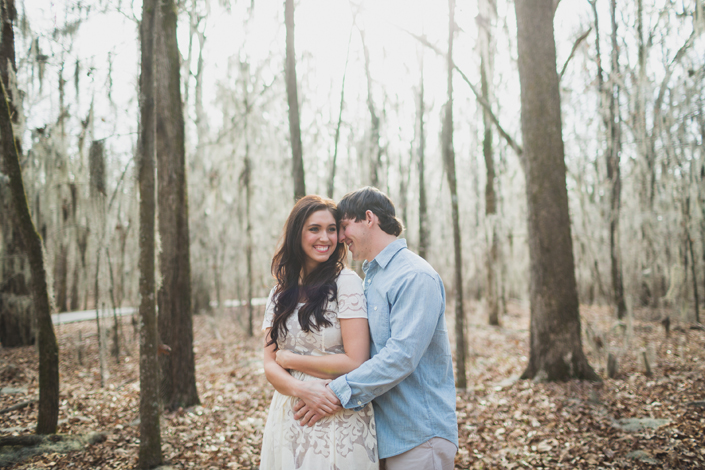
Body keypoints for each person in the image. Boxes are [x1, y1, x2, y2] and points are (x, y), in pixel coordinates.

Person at [290, 187, 458, 470]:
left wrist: (334, 392)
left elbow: (401, 356)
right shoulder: (370, 278)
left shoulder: (414, 276)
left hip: (418, 435)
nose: (340, 238)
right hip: (377, 434)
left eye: (343, 226)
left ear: (369, 218)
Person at [259, 195, 378, 470]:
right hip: (290, 413)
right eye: (314, 229)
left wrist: (292, 361)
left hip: (335, 413)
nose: (324, 237)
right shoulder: (279, 293)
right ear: (296, 233)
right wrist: (301, 389)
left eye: (331, 229)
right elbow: (268, 364)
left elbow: (356, 361)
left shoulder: (346, 283)